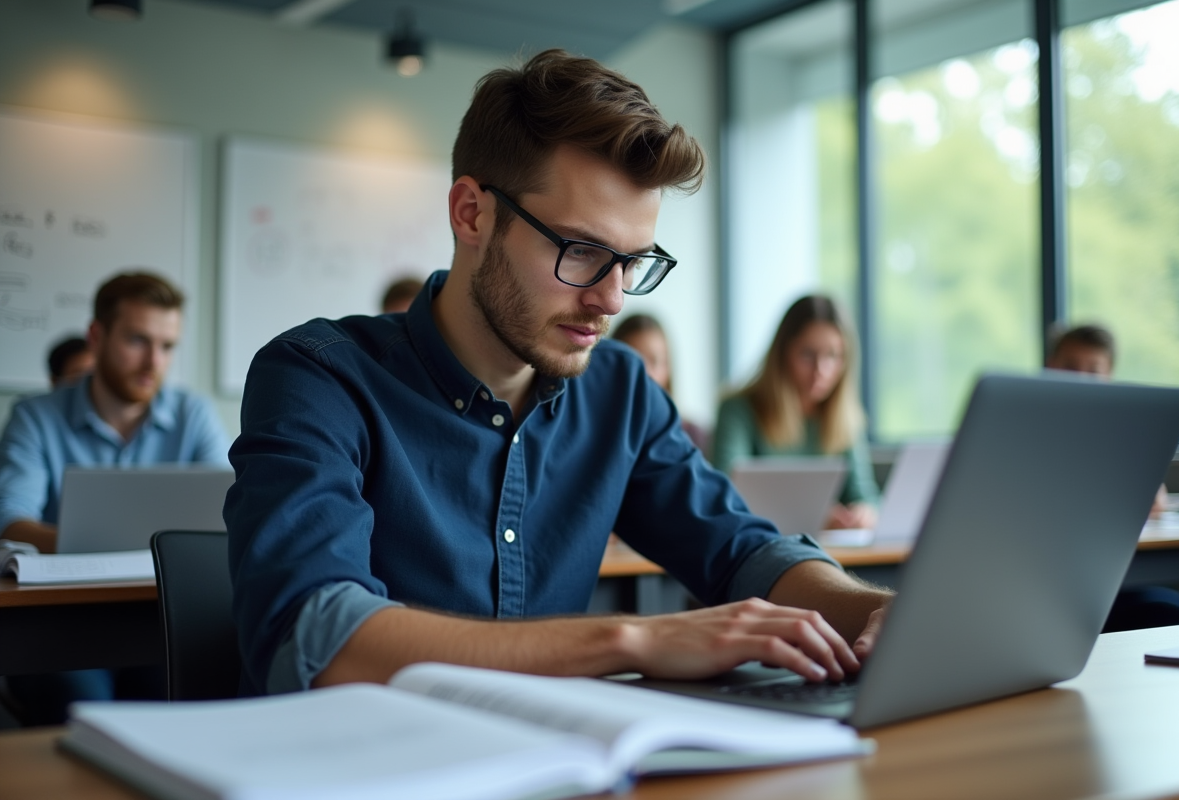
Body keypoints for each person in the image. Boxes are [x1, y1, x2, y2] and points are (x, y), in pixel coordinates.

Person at [226, 50, 892, 699]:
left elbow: (743, 551)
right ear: (472, 213)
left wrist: (879, 614)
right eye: (581, 251)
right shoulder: (319, 376)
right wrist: (628, 640)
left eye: (633, 262)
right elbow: (318, 635)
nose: (612, 300)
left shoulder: (620, 391)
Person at [0, 271, 231, 725]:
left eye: (167, 346)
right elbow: (11, 520)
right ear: (96, 336)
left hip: (162, 620)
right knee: (86, 710)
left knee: (198, 696)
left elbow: (227, 511)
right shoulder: (35, 417)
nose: (153, 362)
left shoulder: (195, 414)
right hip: (61, 625)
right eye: (137, 340)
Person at [1045, 322, 1179, 631]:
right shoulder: (1028, 427)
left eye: (1093, 370)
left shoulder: (1116, 433)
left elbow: (1155, 498)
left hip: (1106, 574)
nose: (1082, 378)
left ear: (1109, 375)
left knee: (1172, 610)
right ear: (1050, 366)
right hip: (1052, 579)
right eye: (1070, 367)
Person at [712, 295, 880, 531]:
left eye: (833, 356)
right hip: (757, 544)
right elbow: (725, 493)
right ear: (783, 353)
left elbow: (865, 496)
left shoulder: (844, 419)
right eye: (807, 354)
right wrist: (817, 515)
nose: (821, 370)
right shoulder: (738, 410)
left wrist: (864, 512)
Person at [611, 313, 708, 454]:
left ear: (668, 368)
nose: (646, 373)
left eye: (655, 361)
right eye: (634, 362)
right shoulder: (599, 432)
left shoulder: (693, 436)